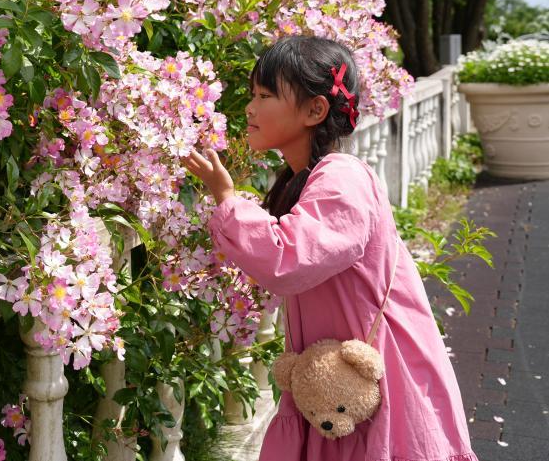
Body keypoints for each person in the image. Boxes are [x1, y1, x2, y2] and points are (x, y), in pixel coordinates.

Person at [182, 35, 477, 461]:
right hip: (334, 377)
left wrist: (226, 199)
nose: (250, 108)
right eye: (253, 95)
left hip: (371, 379)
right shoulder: (307, 178)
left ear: (315, 110)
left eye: (265, 95)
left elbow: (288, 259)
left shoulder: (342, 178)